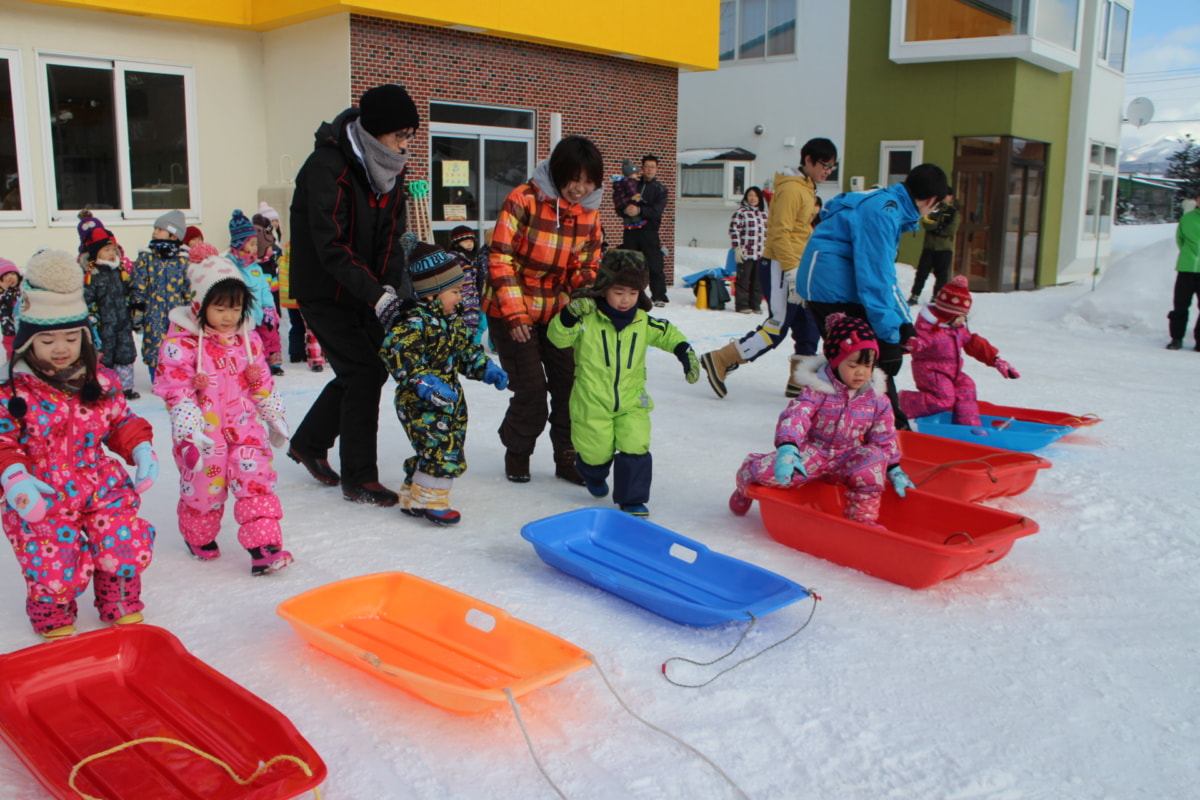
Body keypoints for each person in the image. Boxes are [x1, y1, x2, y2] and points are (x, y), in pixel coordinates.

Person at [0, 249, 158, 638]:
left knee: (122, 539)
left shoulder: (98, 381)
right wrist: (15, 475)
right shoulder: (15, 392)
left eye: (71, 337)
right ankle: (53, 612)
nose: (60, 348)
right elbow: (3, 437)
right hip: (42, 486)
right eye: (47, 339)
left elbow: (120, 420)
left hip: (98, 480)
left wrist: (139, 447)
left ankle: (118, 597)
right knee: (51, 558)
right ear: (26, 344)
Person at [287, 84, 418, 506]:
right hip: (324, 290)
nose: (403, 145)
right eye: (399, 135)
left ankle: (308, 442)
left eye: (408, 136)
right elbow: (331, 245)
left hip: (364, 291)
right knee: (363, 372)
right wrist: (374, 294)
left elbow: (393, 241)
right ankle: (359, 477)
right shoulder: (327, 166)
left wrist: (389, 291)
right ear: (374, 131)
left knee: (368, 368)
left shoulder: (392, 173)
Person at [154, 253, 293, 575]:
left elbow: (260, 380)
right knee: (204, 492)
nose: (229, 316)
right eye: (220, 308)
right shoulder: (182, 343)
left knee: (256, 484)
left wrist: (272, 412)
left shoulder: (248, 339)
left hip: (245, 430)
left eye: (235, 308)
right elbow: (175, 388)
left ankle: (265, 549)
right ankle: (198, 535)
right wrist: (189, 428)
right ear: (201, 306)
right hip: (204, 435)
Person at [483, 134, 604, 485]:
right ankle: (518, 449)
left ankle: (567, 455)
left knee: (569, 384)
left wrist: (585, 293)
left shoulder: (589, 215)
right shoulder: (523, 199)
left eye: (587, 182)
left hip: (555, 309)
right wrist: (515, 313)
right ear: (557, 172)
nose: (579, 188)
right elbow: (500, 257)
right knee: (531, 388)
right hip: (510, 306)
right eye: (573, 179)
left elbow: (586, 264)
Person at [795, 163, 950, 430]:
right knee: (861, 360)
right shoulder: (883, 212)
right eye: (935, 208)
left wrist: (903, 323)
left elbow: (886, 278)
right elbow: (874, 279)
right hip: (831, 290)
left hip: (837, 284)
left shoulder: (890, 206)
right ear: (931, 200)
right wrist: (889, 336)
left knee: (863, 360)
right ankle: (882, 431)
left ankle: (869, 427)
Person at [547, 250, 699, 517]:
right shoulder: (587, 319)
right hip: (591, 401)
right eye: (618, 292)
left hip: (631, 400)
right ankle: (591, 472)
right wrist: (570, 315)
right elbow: (558, 338)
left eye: (632, 292)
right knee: (596, 454)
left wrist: (684, 352)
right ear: (604, 288)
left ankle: (632, 499)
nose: (626, 300)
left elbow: (668, 334)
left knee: (636, 444)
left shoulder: (642, 320)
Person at [727, 313, 912, 526]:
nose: (861, 372)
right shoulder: (817, 391)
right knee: (773, 474)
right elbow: (797, 415)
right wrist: (788, 447)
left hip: (847, 455)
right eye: (853, 365)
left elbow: (883, 437)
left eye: (867, 365)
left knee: (872, 462)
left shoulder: (877, 400)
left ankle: (861, 522)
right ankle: (747, 477)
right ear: (836, 361)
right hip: (814, 451)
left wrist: (893, 467)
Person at [380, 235, 508, 525]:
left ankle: (412, 494)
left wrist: (485, 368)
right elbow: (396, 353)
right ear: (431, 293)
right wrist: (423, 383)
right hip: (419, 401)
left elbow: (465, 351)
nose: (460, 297)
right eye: (454, 291)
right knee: (443, 448)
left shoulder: (452, 322)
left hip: (449, 399)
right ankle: (432, 501)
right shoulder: (414, 322)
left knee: (437, 445)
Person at [700, 138, 835, 399]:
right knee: (777, 325)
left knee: (808, 324)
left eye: (832, 166)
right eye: (824, 165)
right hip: (781, 265)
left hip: (799, 265)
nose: (827, 171)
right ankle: (721, 359)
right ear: (807, 160)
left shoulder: (806, 186)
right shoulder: (793, 189)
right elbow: (780, 232)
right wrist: (791, 271)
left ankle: (800, 379)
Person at [898, 276, 1019, 427]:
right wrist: (909, 344)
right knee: (944, 399)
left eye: (964, 316)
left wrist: (996, 359)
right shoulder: (928, 328)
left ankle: (968, 427)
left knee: (967, 387)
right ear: (947, 314)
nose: (963, 320)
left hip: (952, 371)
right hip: (930, 372)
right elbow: (918, 342)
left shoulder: (957, 328)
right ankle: (900, 403)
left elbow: (974, 344)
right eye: (960, 316)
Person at [130, 209, 192, 384]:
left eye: (160, 229)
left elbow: (188, 288)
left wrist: (191, 311)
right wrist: (138, 309)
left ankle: (177, 379)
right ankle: (157, 380)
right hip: (153, 313)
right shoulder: (147, 258)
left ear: (173, 236)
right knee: (154, 346)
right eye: (155, 228)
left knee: (178, 346)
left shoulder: (183, 261)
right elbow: (139, 285)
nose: (155, 232)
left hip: (177, 314)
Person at [79, 225, 140, 399]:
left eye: (113, 249)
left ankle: (126, 386)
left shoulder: (119, 271)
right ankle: (106, 385)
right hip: (103, 324)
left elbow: (128, 293)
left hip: (122, 322)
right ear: (95, 253)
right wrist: (92, 319)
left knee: (125, 353)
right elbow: (87, 299)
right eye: (106, 250)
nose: (111, 253)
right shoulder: (92, 275)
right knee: (106, 356)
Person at [226, 209, 283, 376]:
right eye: (251, 244)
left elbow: (265, 289)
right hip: (242, 318)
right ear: (240, 244)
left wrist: (269, 308)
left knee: (268, 338)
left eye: (256, 244)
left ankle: (269, 365)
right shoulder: (232, 266)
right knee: (247, 344)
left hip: (259, 314)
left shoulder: (256, 267)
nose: (255, 248)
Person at [620, 155, 670, 305]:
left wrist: (639, 211)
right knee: (629, 264)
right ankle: (628, 295)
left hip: (649, 231)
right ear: (641, 168)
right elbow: (621, 200)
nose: (649, 169)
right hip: (631, 230)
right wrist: (625, 210)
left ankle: (659, 296)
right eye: (647, 166)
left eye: (652, 167)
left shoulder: (660, 189)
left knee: (655, 264)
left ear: (656, 169)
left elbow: (657, 211)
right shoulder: (632, 184)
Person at [908, 190, 959, 306]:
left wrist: (936, 228)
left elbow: (951, 230)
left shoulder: (953, 212)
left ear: (951, 197)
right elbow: (926, 222)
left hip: (944, 248)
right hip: (929, 247)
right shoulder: (933, 207)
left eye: (947, 195)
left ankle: (937, 296)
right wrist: (939, 227)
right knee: (922, 273)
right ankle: (915, 295)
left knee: (941, 275)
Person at [1168, 189, 1200, 350]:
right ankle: (1176, 339)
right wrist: (1188, 254)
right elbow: (1180, 240)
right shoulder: (1187, 219)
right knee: (1180, 305)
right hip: (1186, 269)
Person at [728, 185, 767, 314]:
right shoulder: (741, 212)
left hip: (760, 253)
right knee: (743, 280)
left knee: (758, 282)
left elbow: (768, 233)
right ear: (746, 197)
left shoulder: (764, 214)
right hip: (746, 253)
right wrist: (737, 248)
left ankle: (755, 304)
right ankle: (742, 305)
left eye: (755, 196)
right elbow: (734, 230)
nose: (753, 198)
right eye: (750, 195)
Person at [448, 225, 483, 339]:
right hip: (460, 300)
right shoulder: (453, 260)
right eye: (465, 242)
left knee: (473, 330)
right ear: (456, 243)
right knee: (459, 331)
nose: (469, 244)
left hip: (473, 301)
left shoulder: (474, 259)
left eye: (471, 241)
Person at [0, 257, 22, 360]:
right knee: (11, 351)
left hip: (24, 328)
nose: (10, 277)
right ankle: (11, 366)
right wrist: (3, 290)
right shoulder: (2, 293)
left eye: (13, 274)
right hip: (9, 330)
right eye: (5, 275)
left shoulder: (22, 290)